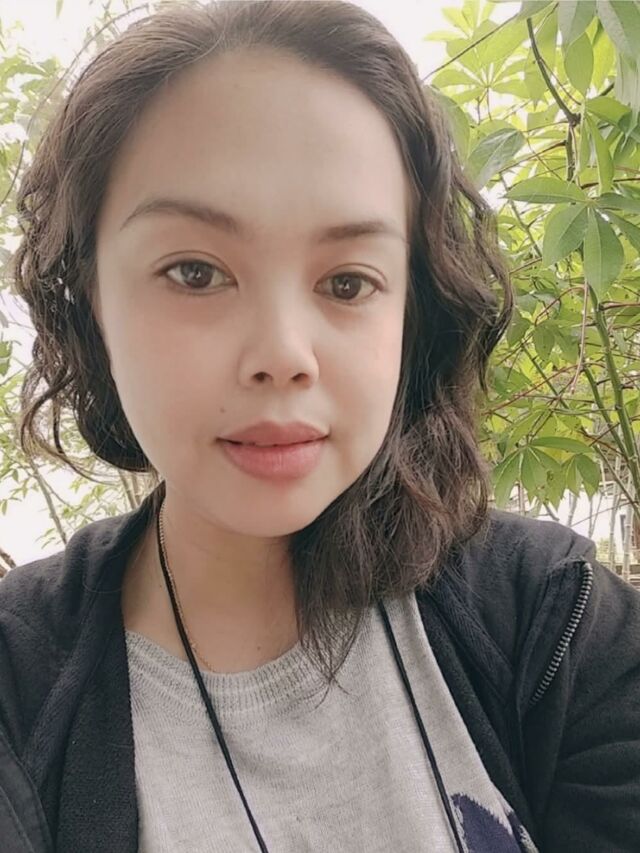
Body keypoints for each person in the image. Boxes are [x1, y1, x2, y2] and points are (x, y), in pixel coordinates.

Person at [1, 1, 639, 851]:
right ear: (90, 299)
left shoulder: (556, 623)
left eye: (347, 282)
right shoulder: (19, 687)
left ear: (413, 309)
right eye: (194, 272)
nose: (282, 355)